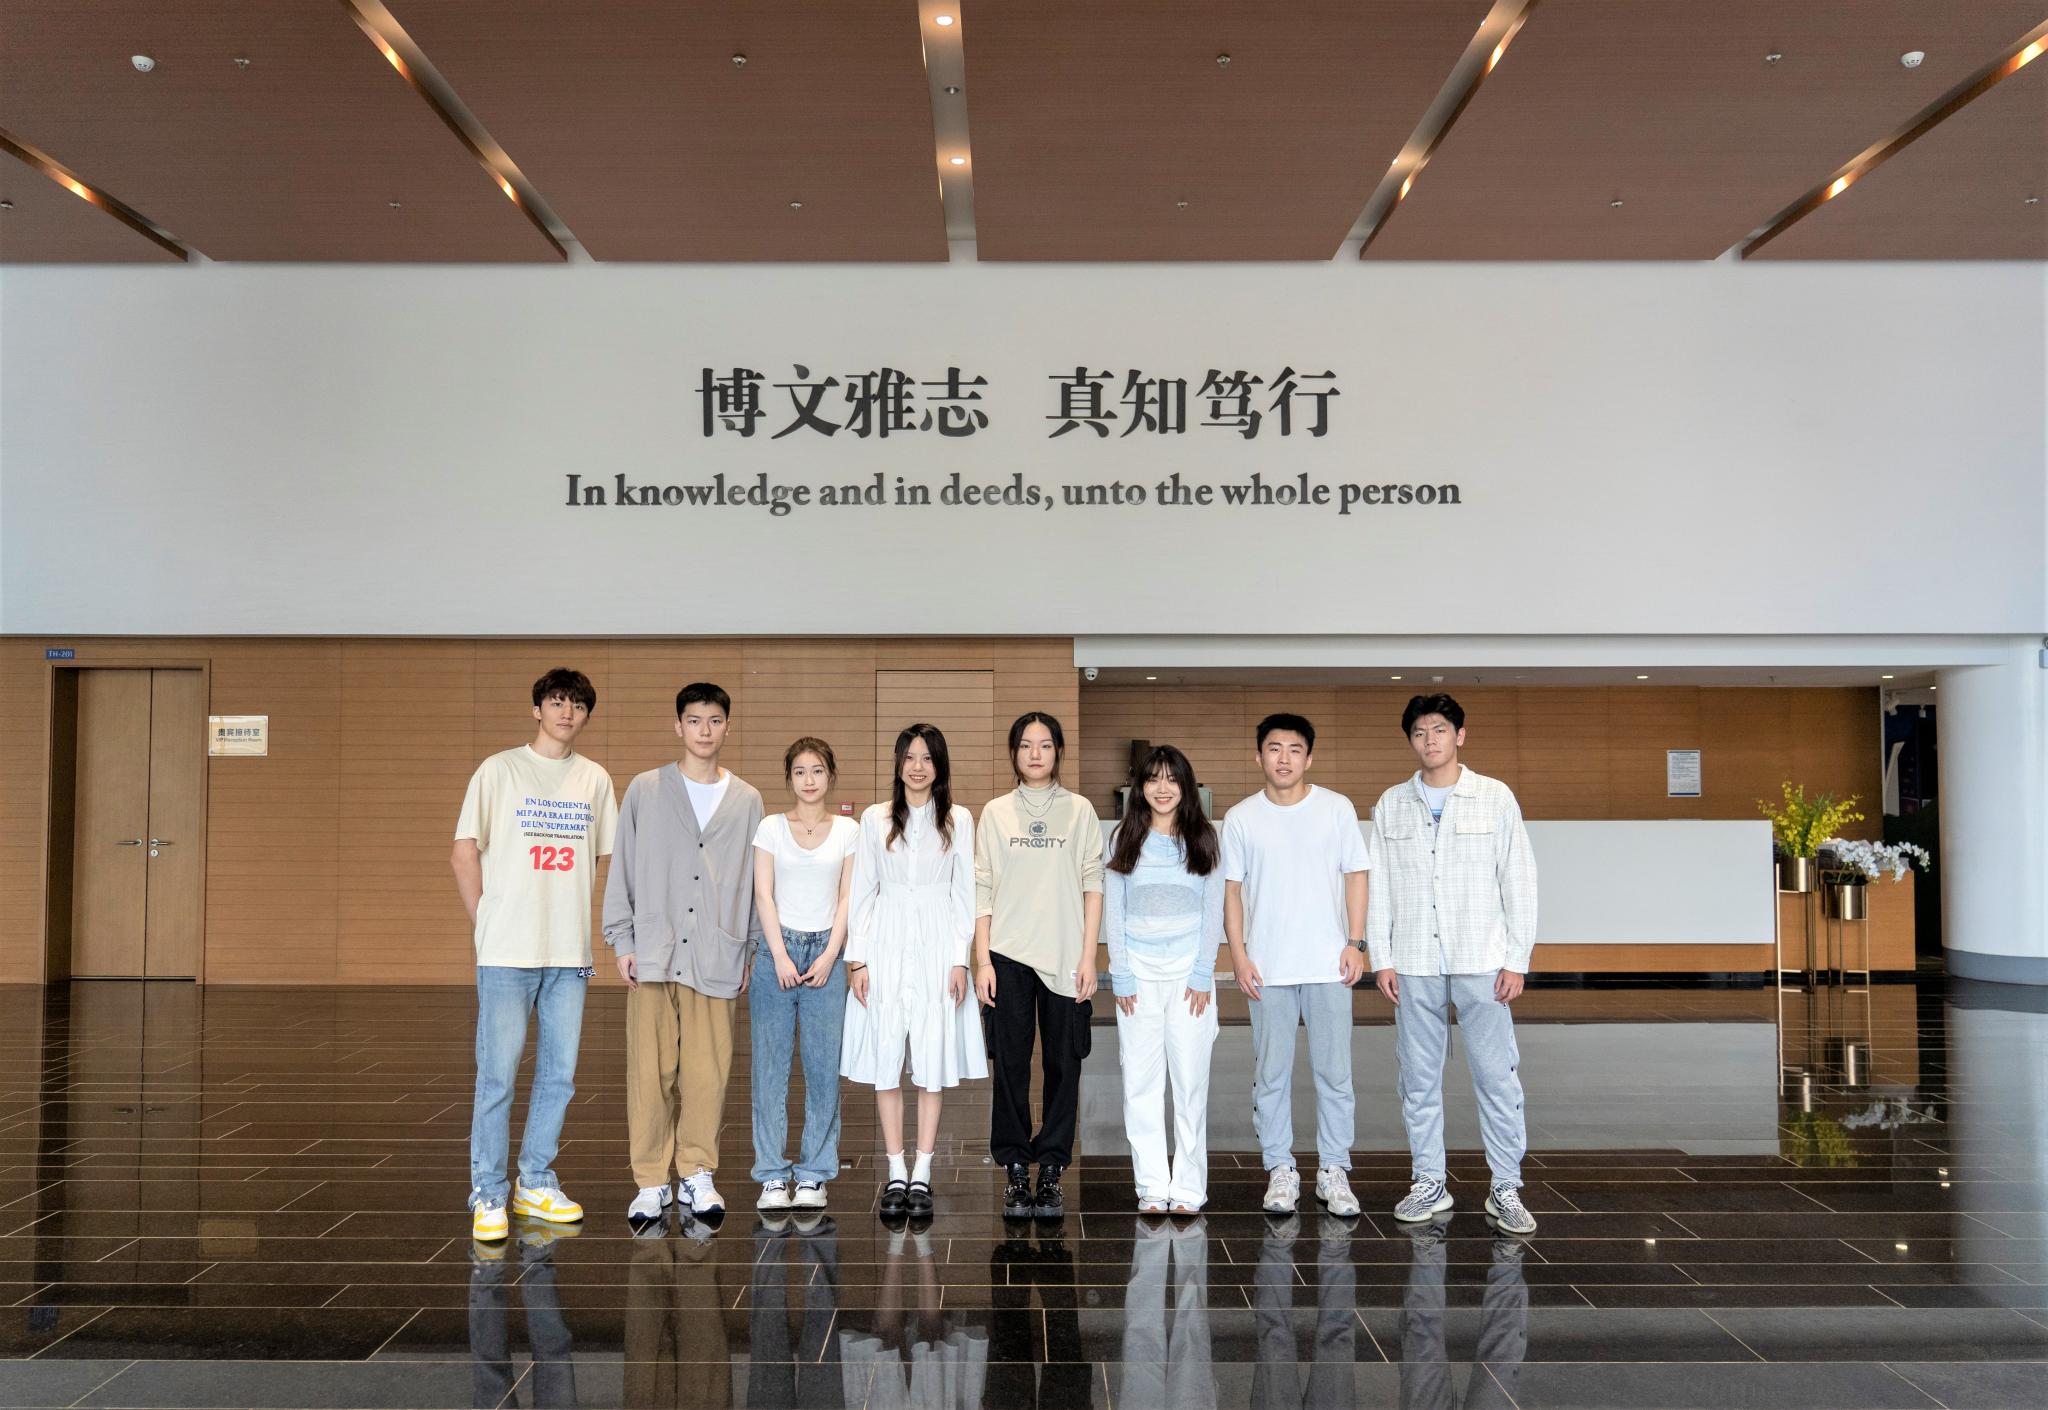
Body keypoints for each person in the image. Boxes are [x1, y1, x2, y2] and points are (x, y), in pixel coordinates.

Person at [451, 667, 619, 1243]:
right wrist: (486, 923)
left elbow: (602, 858)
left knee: (559, 1075)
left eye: (577, 705)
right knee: (497, 1075)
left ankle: (536, 1182)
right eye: (556, 702)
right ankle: (487, 1191)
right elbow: (464, 852)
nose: (567, 712)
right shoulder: (499, 770)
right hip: (506, 950)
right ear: (537, 709)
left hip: (568, 951)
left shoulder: (595, 779)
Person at [1367, 693, 1540, 1237]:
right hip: (1414, 959)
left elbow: (1520, 880)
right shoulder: (1391, 803)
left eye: (1440, 730)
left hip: (1481, 960)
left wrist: (1516, 960)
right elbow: (1379, 887)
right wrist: (1382, 958)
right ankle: (1429, 1182)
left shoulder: (1494, 797)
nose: (1430, 740)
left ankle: (1506, 1186)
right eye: (1420, 732)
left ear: (1459, 736)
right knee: (1418, 1079)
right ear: (1411, 740)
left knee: (1496, 1076)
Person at [603, 682, 765, 1230]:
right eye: (694, 720)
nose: (704, 730)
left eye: (714, 720)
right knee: (649, 1072)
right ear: (678, 726)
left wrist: (749, 947)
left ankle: (697, 1171)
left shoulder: (747, 800)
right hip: (654, 950)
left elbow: (755, 881)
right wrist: (622, 939)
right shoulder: (645, 790)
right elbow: (623, 866)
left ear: (727, 728)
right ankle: (651, 1181)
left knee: (707, 1073)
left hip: (717, 954)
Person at [1221, 712, 1370, 1218]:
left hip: (1330, 965)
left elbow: (1356, 875)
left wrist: (1355, 943)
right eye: (1274, 748)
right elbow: (1232, 892)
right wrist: (1239, 955)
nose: (1283, 758)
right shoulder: (1242, 817)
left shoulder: (1336, 808)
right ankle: (1280, 1168)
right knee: (1271, 1074)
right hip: (1268, 968)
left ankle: (1334, 1169)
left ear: (1309, 757)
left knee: (1335, 1073)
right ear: (1258, 755)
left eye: (1294, 749)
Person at [841, 723, 984, 1218]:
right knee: (887, 1055)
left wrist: (961, 958)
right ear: (898, 763)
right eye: (909, 757)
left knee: (930, 1055)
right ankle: (895, 1169)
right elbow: (862, 889)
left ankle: (923, 1170)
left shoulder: (959, 818)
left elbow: (965, 892)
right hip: (885, 938)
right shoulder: (874, 817)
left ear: (939, 765)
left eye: (927, 758)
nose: (917, 767)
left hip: (938, 941)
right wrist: (858, 958)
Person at [973, 711, 1104, 1219]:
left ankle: (1050, 1170)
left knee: (1063, 1064)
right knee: (1009, 1065)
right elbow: (982, 886)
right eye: (1026, 744)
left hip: (1066, 956)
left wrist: (1089, 955)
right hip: (1007, 955)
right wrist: (982, 958)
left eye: (1045, 745)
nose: (1035, 753)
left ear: (1057, 752)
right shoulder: (995, 812)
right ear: (1014, 752)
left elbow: (1093, 883)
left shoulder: (1079, 810)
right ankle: (1014, 1169)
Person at [1104, 744, 1223, 1214]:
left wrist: (1202, 973)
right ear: (1141, 787)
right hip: (1138, 979)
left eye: (1172, 779)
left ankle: (1189, 1188)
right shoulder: (1124, 839)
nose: (1162, 788)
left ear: (1185, 786)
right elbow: (1115, 913)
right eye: (1153, 778)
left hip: (1189, 979)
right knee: (1141, 1084)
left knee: (1191, 1084)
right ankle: (1152, 1186)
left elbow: (1213, 911)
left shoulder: (1205, 839)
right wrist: (1121, 975)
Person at [749, 736, 859, 1213]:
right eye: (799, 772)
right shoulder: (771, 828)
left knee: (822, 1070)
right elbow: (763, 894)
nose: (809, 780)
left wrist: (832, 954)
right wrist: (779, 955)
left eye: (817, 771)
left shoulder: (849, 830)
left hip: (826, 956)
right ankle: (772, 1175)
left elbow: (848, 897)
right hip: (777, 952)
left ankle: (814, 1173)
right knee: (769, 1071)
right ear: (789, 778)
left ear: (830, 775)